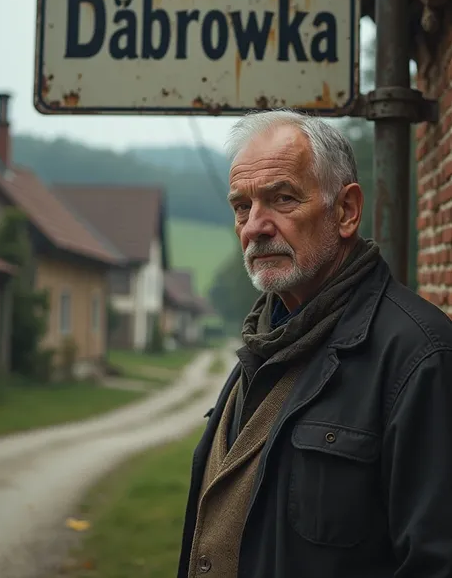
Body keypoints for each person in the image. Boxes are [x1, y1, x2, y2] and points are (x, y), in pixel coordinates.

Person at [177, 109, 452, 578]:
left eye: (281, 199)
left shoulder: (419, 354)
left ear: (345, 211)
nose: (255, 226)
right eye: (242, 206)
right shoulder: (265, 338)